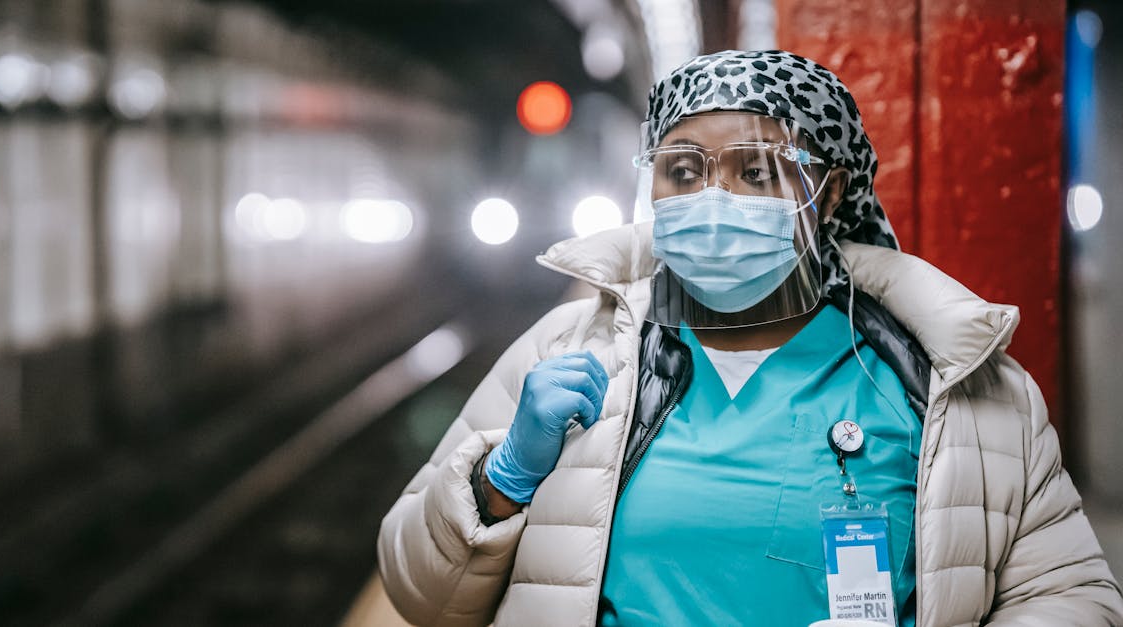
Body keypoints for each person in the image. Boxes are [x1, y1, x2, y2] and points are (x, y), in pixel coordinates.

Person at [377, 50, 1123, 626]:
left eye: (757, 171)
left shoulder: (950, 381)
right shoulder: (570, 351)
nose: (713, 200)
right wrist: (501, 481)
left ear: (828, 192)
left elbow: (1071, 595)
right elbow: (418, 595)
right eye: (683, 170)